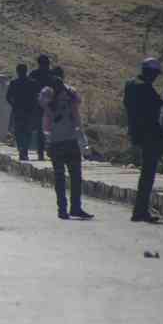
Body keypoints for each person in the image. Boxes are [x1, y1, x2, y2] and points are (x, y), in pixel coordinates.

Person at [40, 70, 92, 220]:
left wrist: (47, 143)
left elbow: (46, 128)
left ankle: (62, 209)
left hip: (56, 144)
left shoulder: (47, 103)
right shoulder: (71, 100)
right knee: (75, 177)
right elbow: (77, 124)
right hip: (71, 142)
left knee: (59, 178)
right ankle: (75, 207)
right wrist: (84, 144)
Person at [123, 58, 163, 222]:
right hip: (149, 134)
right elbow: (153, 107)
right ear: (149, 72)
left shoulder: (130, 84)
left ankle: (140, 210)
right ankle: (140, 211)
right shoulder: (144, 87)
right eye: (154, 74)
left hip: (137, 133)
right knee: (148, 174)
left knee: (146, 174)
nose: (155, 77)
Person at [6, 63, 39, 161]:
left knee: (18, 131)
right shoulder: (33, 82)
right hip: (29, 111)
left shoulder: (14, 82)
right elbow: (36, 97)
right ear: (26, 71)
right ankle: (24, 150)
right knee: (28, 132)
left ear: (17, 71)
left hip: (18, 111)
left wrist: (14, 105)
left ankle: (21, 149)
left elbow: (8, 97)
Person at [29, 55, 53, 160]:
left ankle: (41, 152)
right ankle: (46, 151)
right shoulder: (52, 75)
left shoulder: (33, 74)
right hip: (50, 106)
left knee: (40, 129)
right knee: (49, 129)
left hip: (38, 106)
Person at [0, 73, 12, 143]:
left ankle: (3, 138)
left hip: (6, 109)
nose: (0, 81)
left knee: (4, 124)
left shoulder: (8, 87)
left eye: (1, 80)